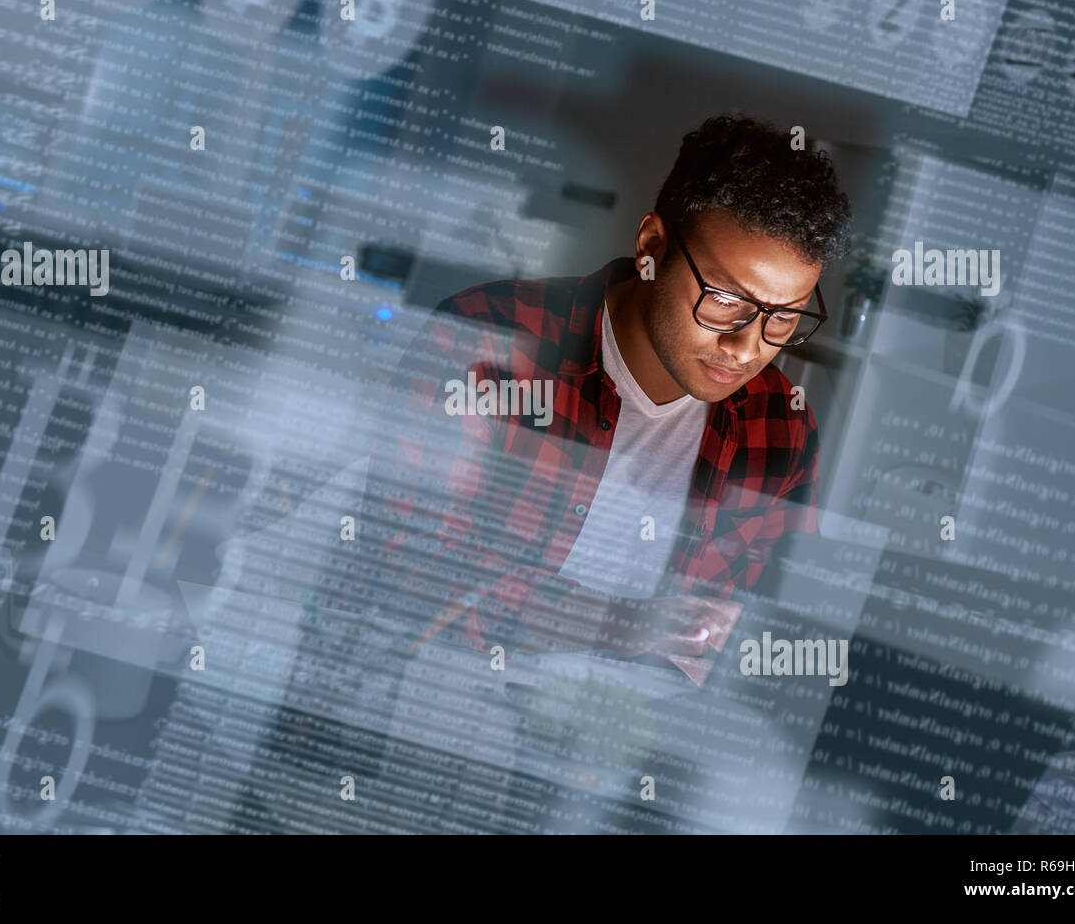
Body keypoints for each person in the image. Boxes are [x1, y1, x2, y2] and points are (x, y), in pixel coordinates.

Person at [357, 114, 852, 672]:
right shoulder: (486, 340)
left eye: (782, 319)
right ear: (651, 246)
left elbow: (763, 628)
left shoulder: (781, 427)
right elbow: (405, 562)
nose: (746, 346)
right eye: (724, 299)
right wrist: (614, 623)